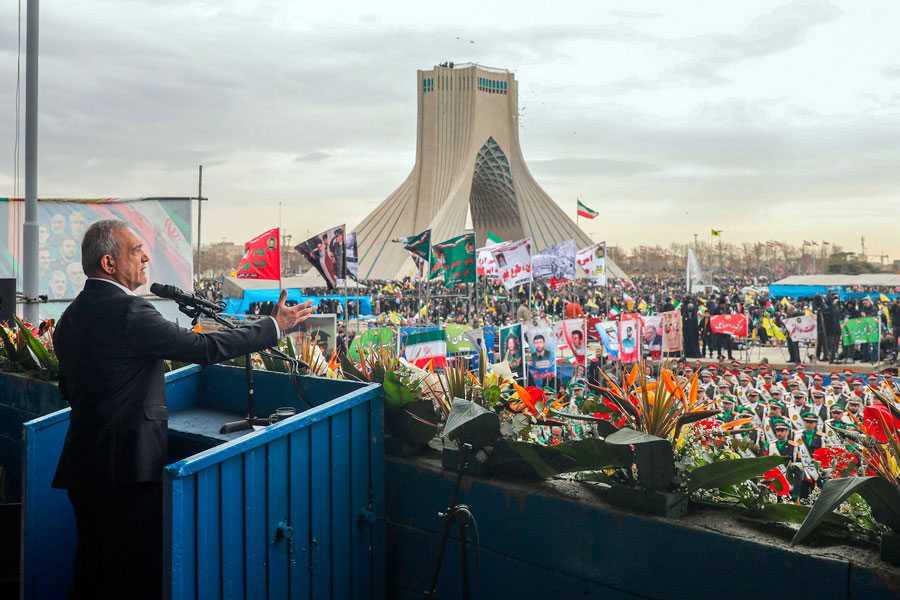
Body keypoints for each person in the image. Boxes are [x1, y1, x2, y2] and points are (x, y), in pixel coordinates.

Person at [52, 220, 315, 599]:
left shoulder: (71, 317)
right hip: (127, 471)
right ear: (109, 263)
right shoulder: (129, 311)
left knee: (93, 571)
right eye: (136, 251)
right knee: (131, 577)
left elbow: (68, 388)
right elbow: (204, 349)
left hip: (84, 466)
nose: (146, 257)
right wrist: (272, 326)